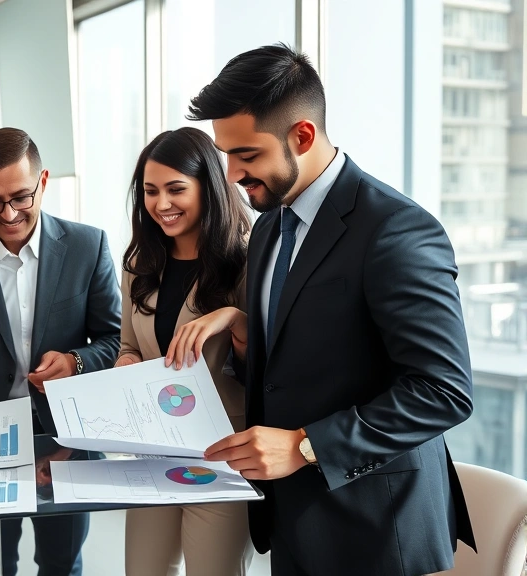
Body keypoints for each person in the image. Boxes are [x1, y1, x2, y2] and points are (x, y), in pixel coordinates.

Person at [176, 44, 476, 575]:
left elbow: (443, 391)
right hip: (294, 522)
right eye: (226, 154)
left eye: (247, 155)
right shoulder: (269, 227)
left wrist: (306, 445)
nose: (232, 173)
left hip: (378, 533)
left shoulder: (397, 231)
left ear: (303, 136)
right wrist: (247, 343)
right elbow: (293, 368)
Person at [0, 127, 121, 576]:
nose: (9, 213)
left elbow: (113, 341)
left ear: (44, 181)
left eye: (21, 197)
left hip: (68, 435)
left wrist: (75, 362)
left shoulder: (88, 246)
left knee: (62, 561)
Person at [115, 127, 253, 575]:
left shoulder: (246, 260)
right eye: (151, 191)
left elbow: (268, 364)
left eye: (176, 189)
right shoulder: (140, 264)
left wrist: (234, 318)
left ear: (208, 188)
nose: (161, 204)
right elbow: (129, 344)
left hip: (222, 450)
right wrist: (127, 362)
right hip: (153, 447)